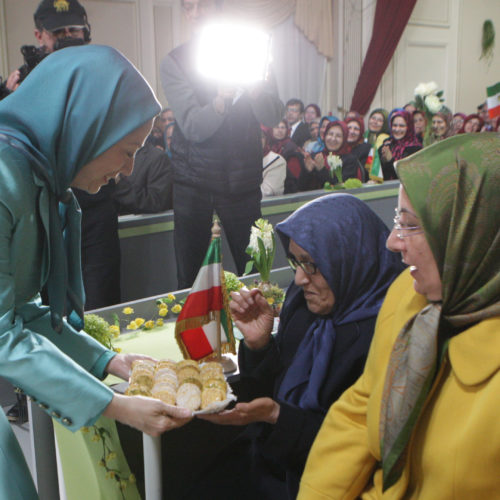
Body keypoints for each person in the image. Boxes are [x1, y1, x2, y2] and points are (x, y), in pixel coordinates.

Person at [0, 45, 192, 500]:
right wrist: (115, 405)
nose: (126, 172)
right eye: (125, 152)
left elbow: (22, 312)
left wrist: (108, 362)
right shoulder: (8, 180)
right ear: (84, 128)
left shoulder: (36, 177)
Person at [298, 133, 500, 499]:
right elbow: (359, 412)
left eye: (411, 224)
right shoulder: (407, 293)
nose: (392, 241)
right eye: (397, 219)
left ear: (473, 232)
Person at [200, 194, 404, 499]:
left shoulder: (389, 332)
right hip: (269, 458)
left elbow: (365, 446)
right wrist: (260, 345)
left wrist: (278, 417)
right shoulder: (303, 305)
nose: (298, 278)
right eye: (296, 261)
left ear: (348, 258)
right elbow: (269, 390)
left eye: (311, 265)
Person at [160, 0, 284, 289]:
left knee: (257, 270)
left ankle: (263, 331)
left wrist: (255, 92)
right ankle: (191, 333)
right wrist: (220, 101)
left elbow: (273, 114)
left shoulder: (253, 49)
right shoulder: (176, 60)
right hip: (194, 182)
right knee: (192, 277)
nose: (195, 13)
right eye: (188, 7)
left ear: (219, 7)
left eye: (202, 5)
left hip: (242, 181)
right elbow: (192, 127)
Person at [302, 121, 367, 191]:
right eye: (330, 134)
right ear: (325, 136)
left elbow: (341, 188)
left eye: (338, 136)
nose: (333, 139)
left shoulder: (350, 160)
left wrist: (322, 170)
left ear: (344, 139)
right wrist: (307, 171)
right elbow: (302, 188)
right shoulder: (316, 156)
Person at [113, 141, 173, 214]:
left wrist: (119, 183)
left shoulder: (157, 158)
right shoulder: (110, 155)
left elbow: (156, 203)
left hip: (137, 222)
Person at [379, 110, 421, 180]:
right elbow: (379, 175)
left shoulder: (416, 149)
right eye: (394, 125)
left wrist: (390, 161)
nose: (397, 129)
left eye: (402, 126)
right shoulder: (387, 145)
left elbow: (407, 177)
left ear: (409, 127)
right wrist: (383, 161)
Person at [364, 108, 390, 182]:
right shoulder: (364, 135)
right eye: (373, 118)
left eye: (379, 120)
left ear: (385, 124)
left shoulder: (384, 138)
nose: (375, 122)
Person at [260, 128, 287, 197]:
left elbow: (269, 192)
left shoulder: (276, 160)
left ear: (266, 139)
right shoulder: (240, 160)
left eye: (261, 137)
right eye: (253, 136)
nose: (258, 140)